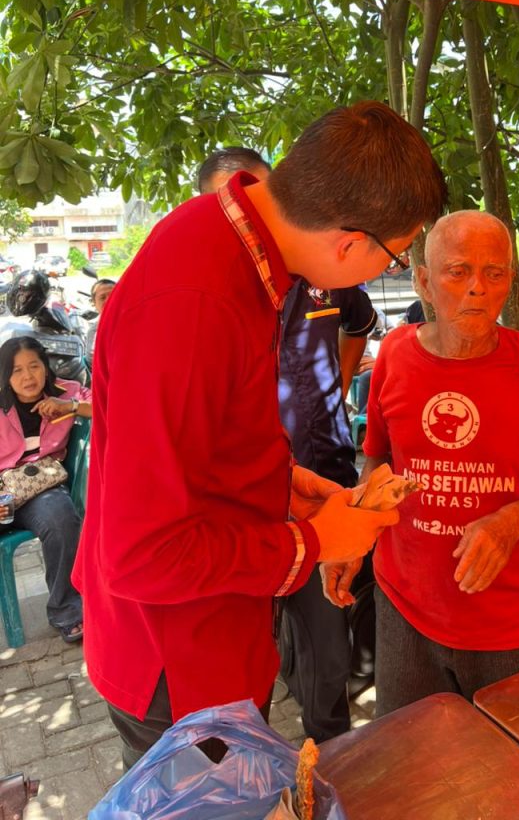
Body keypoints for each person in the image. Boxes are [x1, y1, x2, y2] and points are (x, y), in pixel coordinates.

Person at [73, 100, 447, 769]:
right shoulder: (196, 301)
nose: (384, 272)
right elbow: (140, 554)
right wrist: (315, 543)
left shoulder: (233, 239)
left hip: (219, 629)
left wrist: (281, 484)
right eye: (394, 256)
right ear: (350, 243)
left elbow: (204, 438)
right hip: (179, 657)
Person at [322, 211, 519, 715]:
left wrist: (512, 522)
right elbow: (379, 459)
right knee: (410, 751)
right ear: (424, 282)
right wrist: (356, 532)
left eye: (494, 273)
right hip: (405, 609)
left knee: (511, 757)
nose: (477, 288)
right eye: (458, 272)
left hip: (511, 622)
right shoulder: (396, 354)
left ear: (509, 283)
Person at [197, 146, 378, 742]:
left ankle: (330, 749)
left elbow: (360, 324)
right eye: (230, 201)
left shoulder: (321, 270)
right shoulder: (206, 294)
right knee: (246, 643)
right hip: (239, 500)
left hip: (322, 470)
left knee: (327, 634)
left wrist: (337, 387)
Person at [0, 336, 92, 643]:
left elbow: (109, 406)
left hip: (42, 489)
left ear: (46, 367)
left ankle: (66, 611)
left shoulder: (66, 392)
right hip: (4, 492)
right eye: (17, 370)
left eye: (34, 366)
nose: (28, 377)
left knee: (62, 518)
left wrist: (72, 407)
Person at [84, 279, 116, 367]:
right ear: (94, 303)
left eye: (113, 295)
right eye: (102, 298)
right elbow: (93, 361)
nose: (109, 300)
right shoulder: (94, 331)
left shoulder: (136, 322)